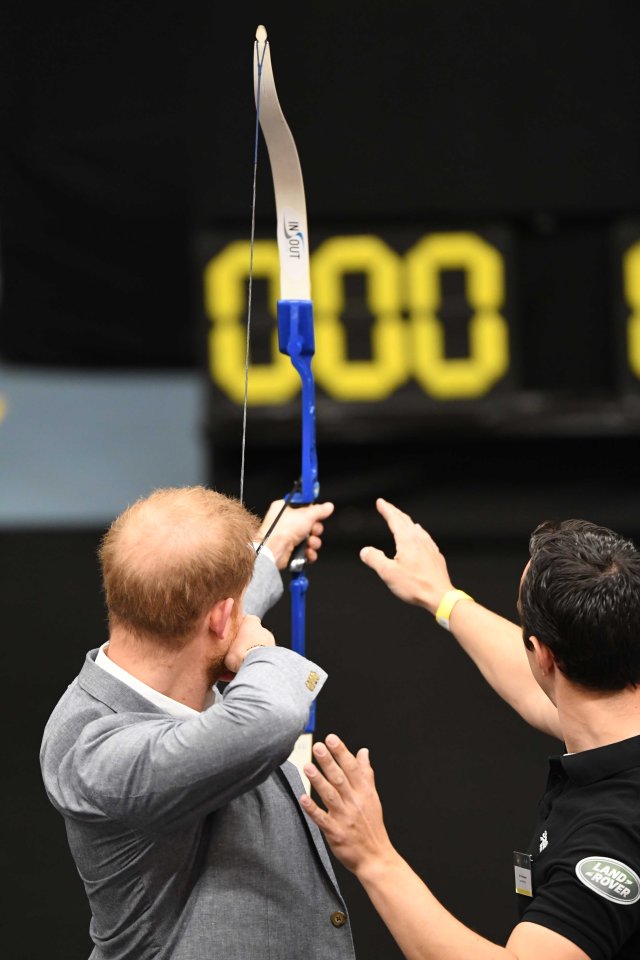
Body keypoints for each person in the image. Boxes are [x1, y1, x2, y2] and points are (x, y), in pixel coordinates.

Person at [300, 498, 640, 960]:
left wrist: (372, 856)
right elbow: (537, 686)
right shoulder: (613, 722)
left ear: (542, 654)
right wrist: (443, 597)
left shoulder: (611, 835)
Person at [40, 486, 356, 960]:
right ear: (224, 615)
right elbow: (269, 716)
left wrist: (268, 550)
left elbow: (202, 600)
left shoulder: (161, 629)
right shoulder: (92, 751)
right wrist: (256, 652)